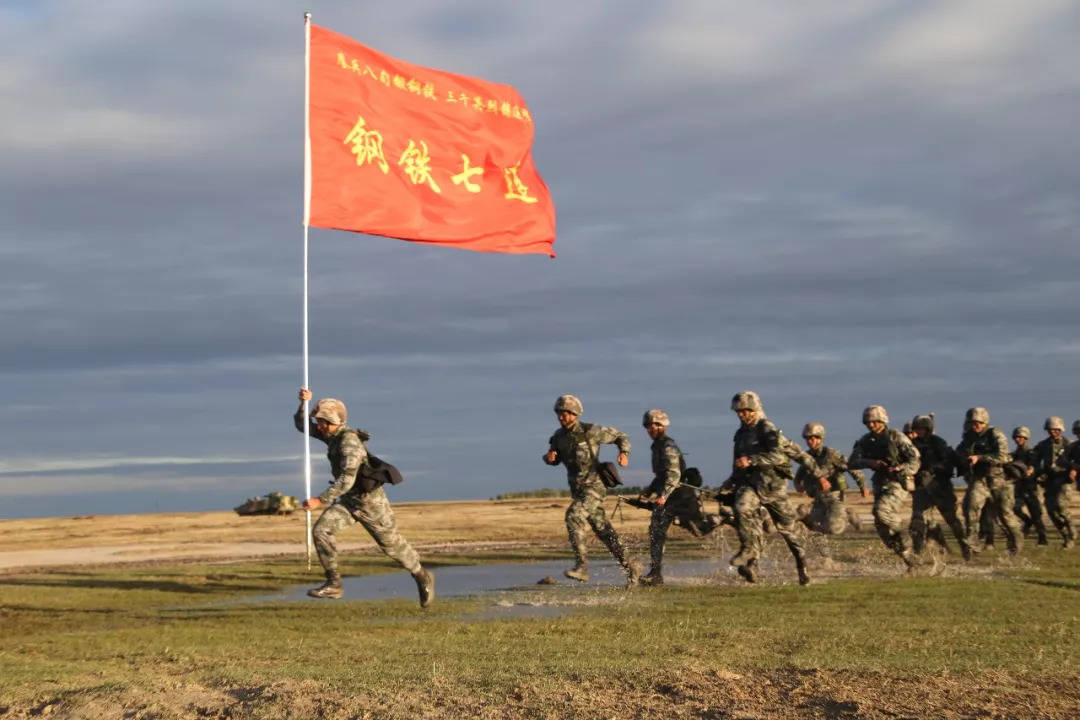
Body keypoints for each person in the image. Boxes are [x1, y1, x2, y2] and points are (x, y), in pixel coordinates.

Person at [295, 388, 434, 606]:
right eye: (318, 421)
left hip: (371, 504)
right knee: (321, 530)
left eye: (324, 422)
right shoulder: (332, 437)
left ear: (336, 422)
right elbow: (301, 427)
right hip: (349, 503)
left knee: (391, 546)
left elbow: (346, 480)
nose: (319, 426)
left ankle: (421, 575)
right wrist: (303, 405)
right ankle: (334, 584)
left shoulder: (348, 443)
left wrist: (319, 500)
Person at [543, 395, 642, 586]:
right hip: (578, 490)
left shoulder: (592, 431)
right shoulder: (558, 437)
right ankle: (632, 566)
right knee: (604, 531)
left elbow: (621, 436)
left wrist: (624, 453)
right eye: (559, 413)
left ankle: (582, 567)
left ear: (574, 414)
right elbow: (553, 459)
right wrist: (549, 458)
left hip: (595, 487)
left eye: (564, 413)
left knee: (574, 515)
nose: (560, 417)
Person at [728, 391, 809, 585]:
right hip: (752, 486)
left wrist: (752, 460)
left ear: (753, 410)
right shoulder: (740, 434)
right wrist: (732, 480)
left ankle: (802, 565)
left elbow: (779, 457)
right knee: (742, 509)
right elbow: (738, 462)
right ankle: (749, 553)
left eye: (744, 411)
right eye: (738, 411)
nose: (740, 414)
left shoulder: (767, 428)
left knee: (789, 531)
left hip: (773, 488)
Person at [848, 405, 921, 570]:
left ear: (882, 420)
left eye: (874, 421)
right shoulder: (866, 441)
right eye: (868, 422)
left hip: (898, 483)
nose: (871, 425)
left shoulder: (896, 437)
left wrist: (900, 468)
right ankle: (909, 558)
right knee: (882, 529)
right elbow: (852, 462)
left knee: (880, 512)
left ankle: (903, 531)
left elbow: (915, 459)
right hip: (880, 483)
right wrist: (870, 463)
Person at [955, 407, 1021, 555]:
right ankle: (973, 543)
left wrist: (980, 457)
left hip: (999, 480)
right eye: (972, 422)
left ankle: (1016, 543)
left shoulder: (995, 434)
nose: (975, 425)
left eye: (978, 422)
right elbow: (959, 451)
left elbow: (1003, 456)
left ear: (985, 422)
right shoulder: (969, 437)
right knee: (970, 508)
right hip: (979, 480)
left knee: (1005, 515)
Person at [908, 414, 969, 559]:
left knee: (951, 519)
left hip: (940, 486)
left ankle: (965, 546)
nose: (920, 431)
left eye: (923, 428)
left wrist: (932, 469)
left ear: (928, 429)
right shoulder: (911, 445)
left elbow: (948, 463)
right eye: (917, 429)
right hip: (921, 487)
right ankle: (917, 553)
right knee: (917, 520)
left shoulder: (938, 443)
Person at [793, 422, 867, 535]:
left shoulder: (831, 454)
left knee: (833, 529)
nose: (809, 441)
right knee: (815, 527)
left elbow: (852, 467)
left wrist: (862, 485)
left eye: (813, 438)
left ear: (820, 438)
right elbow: (799, 474)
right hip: (818, 499)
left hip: (834, 498)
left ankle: (847, 514)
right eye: (807, 438)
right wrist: (797, 483)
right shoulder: (807, 457)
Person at [638, 409, 685, 586]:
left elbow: (673, 475)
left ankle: (656, 574)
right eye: (649, 426)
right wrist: (649, 491)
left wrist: (663, 496)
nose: (652, 429)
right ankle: (655, 573)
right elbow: (660, 475)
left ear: (663, 426)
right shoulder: (656, 446)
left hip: (676, 496)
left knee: (700, 527)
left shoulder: (667, 446)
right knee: (655, 532)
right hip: (667, 496)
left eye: (656, 425)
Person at [1035, 417, 1075, 548]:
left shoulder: (1068, 444)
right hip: (1050, 481)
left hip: (1064, 480)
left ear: (1060, 430)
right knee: (1051, 511)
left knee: (1061, 506)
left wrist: (1073, 470)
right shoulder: (1043, 445)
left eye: (1055, 430)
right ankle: (1066, 537)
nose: (1052, 432)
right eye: (1050, 430)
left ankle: (1071, 528)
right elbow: (1034, 458)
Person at [1009, 426, 1047, 546]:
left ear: (1026, 438)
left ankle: (1042, 538)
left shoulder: (1031, 452)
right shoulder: (1015, 454)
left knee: (1035, 513)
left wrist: (1031, 469)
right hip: (1019, 486)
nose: (1018, 439)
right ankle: (1027, 521)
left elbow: (1034, 465)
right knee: (1015, 508)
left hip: (1031, 486)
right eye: (1016, 437)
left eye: (1020, 437)